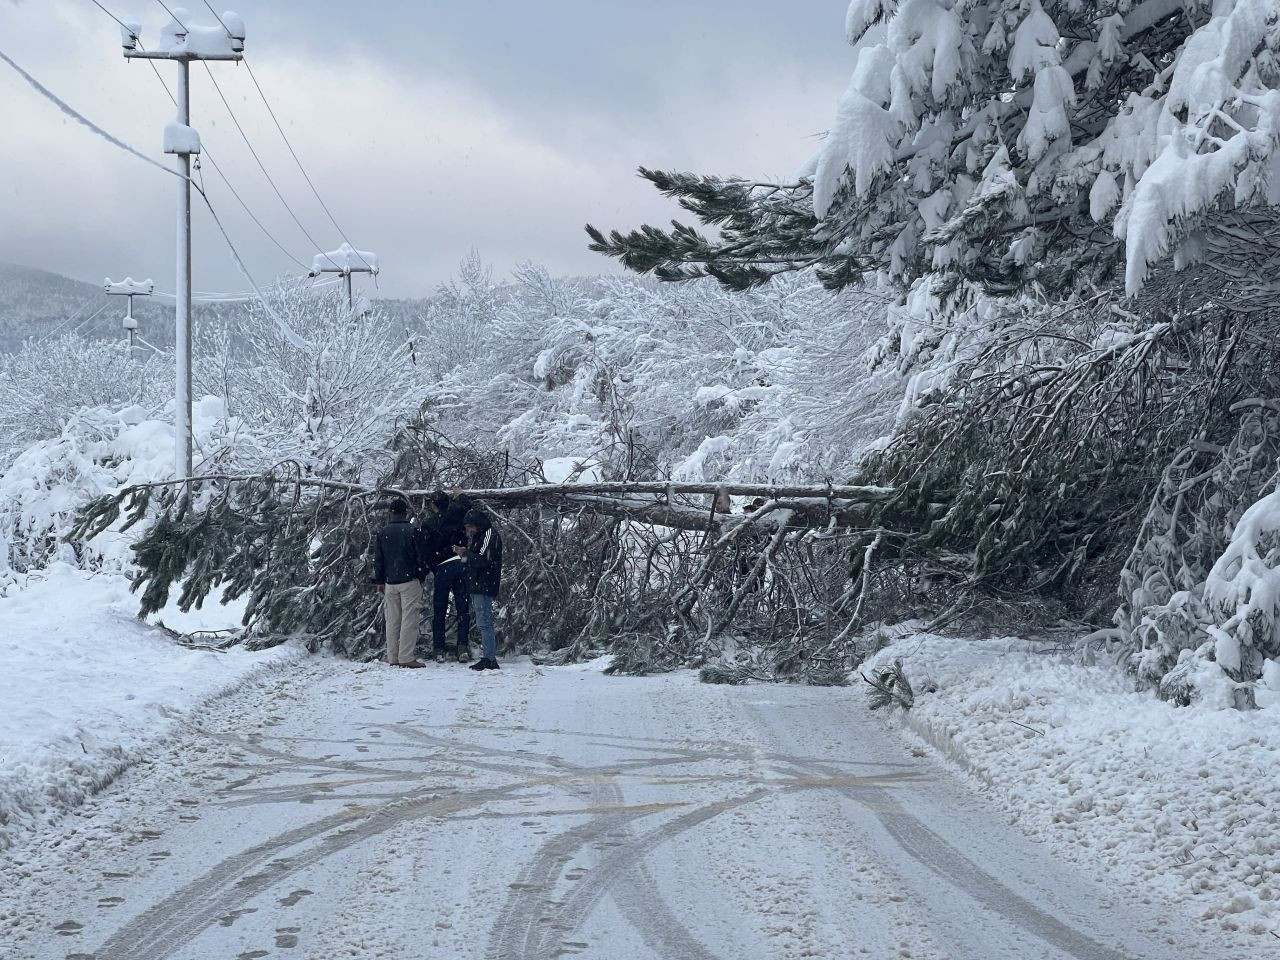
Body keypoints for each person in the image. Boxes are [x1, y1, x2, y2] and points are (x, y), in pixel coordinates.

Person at [417, 488, 473, 662]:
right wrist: (460, 494)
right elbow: (467, 505)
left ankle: (438, 649)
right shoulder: (457, 514)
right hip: (460, 562)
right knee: (463, 607)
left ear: (433, 506)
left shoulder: (429, 524)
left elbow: (424, 550)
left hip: (441, 567)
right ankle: (462, 647)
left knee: (439, 608)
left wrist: (431, 568)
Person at [371, 500, 425, 668]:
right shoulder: (412, 531)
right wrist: (421, 575)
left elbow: (378, 560)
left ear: (390, 512)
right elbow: (420, 556)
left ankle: (392, 656)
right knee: (409, 619)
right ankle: (406, 657)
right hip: (409, 580)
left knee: (392, 621)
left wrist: (379, 580)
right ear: (406, 513)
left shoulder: (383, 532)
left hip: (389, 582)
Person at [461, 508, 503, 671]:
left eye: (470, 527)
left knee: (485, 622)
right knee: (483, 622)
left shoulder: (489, 536)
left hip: (483, 584)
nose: (469, 531)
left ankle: (490, 658)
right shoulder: (482, 536)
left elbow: (483, 560)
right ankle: (488, 657)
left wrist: (465, 553)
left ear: (478, 525)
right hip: (479, 583)